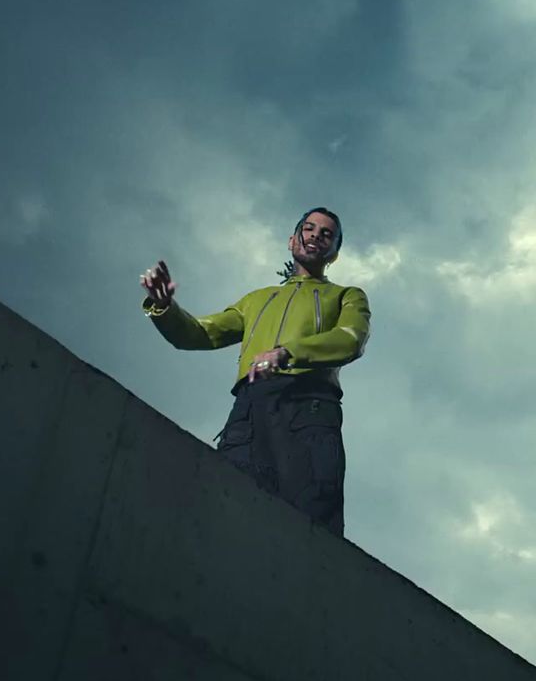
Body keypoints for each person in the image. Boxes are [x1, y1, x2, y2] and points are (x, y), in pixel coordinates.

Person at [139, 208, 370, 535]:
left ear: (335, 253)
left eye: (327, 234)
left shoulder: (347, 296)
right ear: (292, 240)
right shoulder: (256, 300)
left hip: (309, 409)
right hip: (249, 412)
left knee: (311, 520)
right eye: (309, 228)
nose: (317, 235)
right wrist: (164, 308)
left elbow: (350, 339)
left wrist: (289, 353)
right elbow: (199, 333)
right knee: (228, 508)